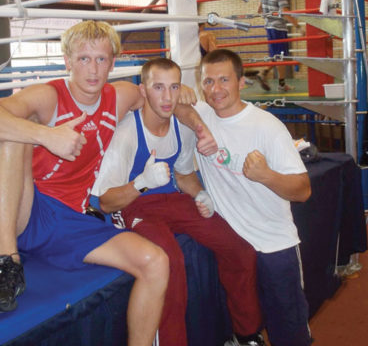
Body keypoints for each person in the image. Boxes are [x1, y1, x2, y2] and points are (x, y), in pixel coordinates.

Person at [0, 21, 216, 346]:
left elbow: (165, 102)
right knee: (12, 135)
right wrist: (46, 135)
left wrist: (198, 125)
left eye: (101, 59)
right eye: (83, 59)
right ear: (68, 61)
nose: (93, 69)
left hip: (71, 219)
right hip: (23, 209)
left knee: (155, 261)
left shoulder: (121, 95)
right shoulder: (48, 96)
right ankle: (7, 261)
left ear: (112, 63)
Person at [91, 57, 264, 346]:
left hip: (171, 199)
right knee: (170, 263)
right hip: (132, 205)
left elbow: (183, 175)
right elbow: (106, 202)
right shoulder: (127, 133)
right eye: (158, 87)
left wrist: (200, 194)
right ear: (143, 91)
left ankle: (246, 335)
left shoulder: (181, 127)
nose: (167, 97)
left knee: (239, 249)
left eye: (173, 87)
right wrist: (141, 183)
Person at [195, 49, 313, 346]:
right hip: (234, 246)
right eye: (208, 81)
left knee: (289, 332)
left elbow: (303, 190)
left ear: (241, 82)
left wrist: (266, 175)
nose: (216, 89)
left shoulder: (267, 126)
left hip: (274, 245)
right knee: (246, 331)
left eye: (224, 80)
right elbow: (174, 105)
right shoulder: (202, 115)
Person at [257, 0, 304, 92]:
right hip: (279, 29)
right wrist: (298, 27)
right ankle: (281, 85)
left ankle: (263, 73)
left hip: (269, 28)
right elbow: (285, 12)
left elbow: (259, 10)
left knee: (275, 56)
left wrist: (269, 17)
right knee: (280, 58)